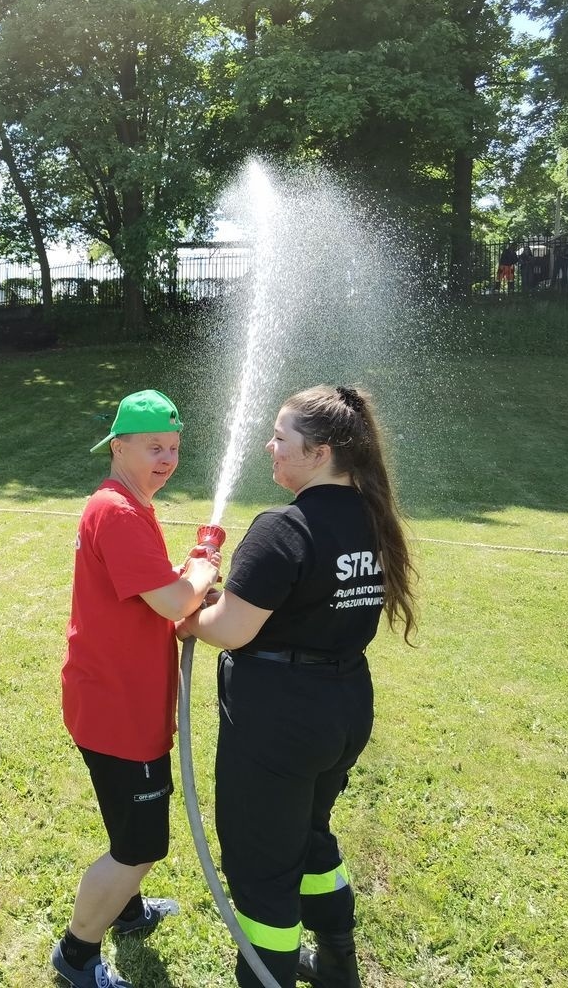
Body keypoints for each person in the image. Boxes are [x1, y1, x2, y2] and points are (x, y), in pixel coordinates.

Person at [177, 385, 417, 988]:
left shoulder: (283, 527)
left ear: (320, 453)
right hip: (343, 709)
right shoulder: (374, 517)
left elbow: (231, 629)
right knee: (309, 833)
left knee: (262, 869)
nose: (270, 447)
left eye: (282, 438)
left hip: (278, 721)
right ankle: (337, 963)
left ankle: (268, 976)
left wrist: (189, 615)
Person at [52, 390, 222, 988]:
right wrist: (201, 570)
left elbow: (155, 597)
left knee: (128, 823)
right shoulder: (119, 512)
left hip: (115, 701)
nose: (166, 458)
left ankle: (125, 912)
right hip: (117, 711)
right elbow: (176, 602)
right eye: (153, 446)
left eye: (173, 447)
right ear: (118, 445)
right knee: (140, 845)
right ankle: (76, 954)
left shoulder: (125, 503)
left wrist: (187, 578)